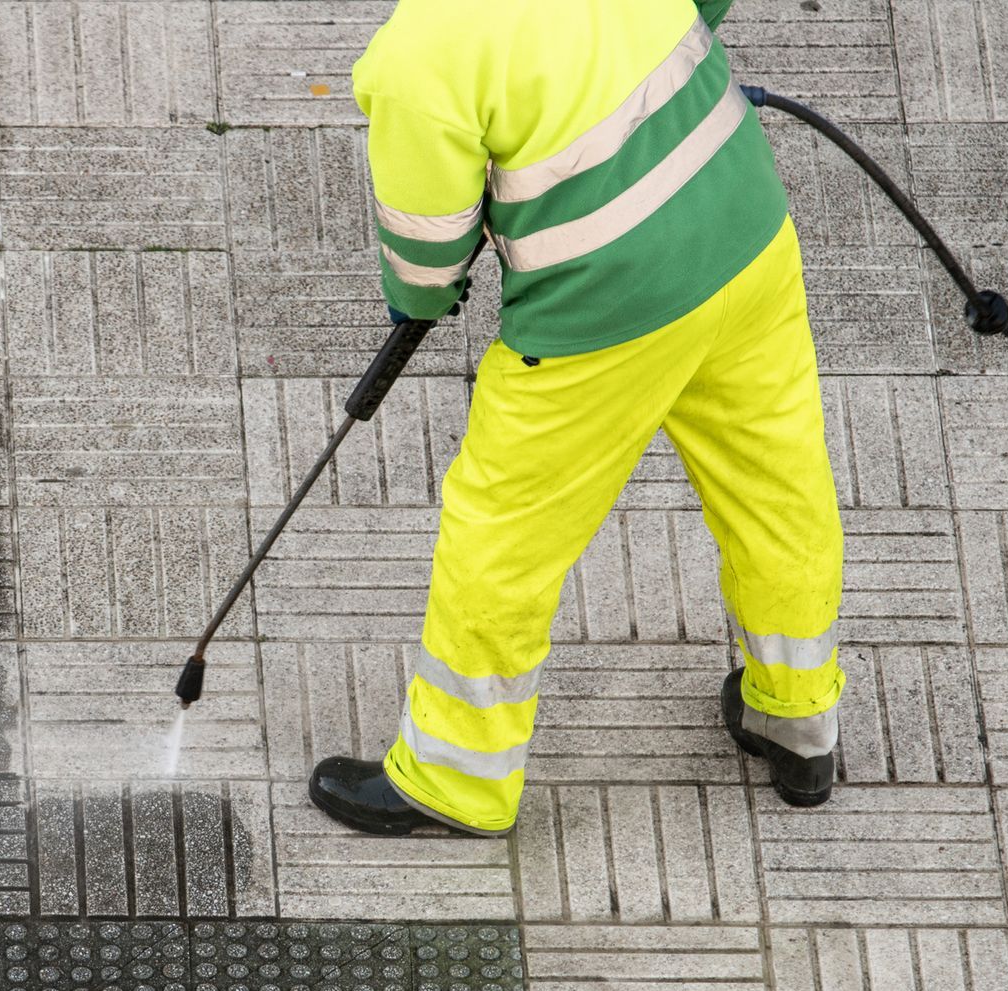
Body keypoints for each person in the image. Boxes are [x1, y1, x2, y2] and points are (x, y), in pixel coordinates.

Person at [308, 0, 844, 836]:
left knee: (502, 535)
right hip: (745, 229)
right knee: (778, 489)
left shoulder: (419, 54)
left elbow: (427, 257)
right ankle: (796, 717)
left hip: (606, 304)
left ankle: (456, 776)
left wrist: (427, 294)